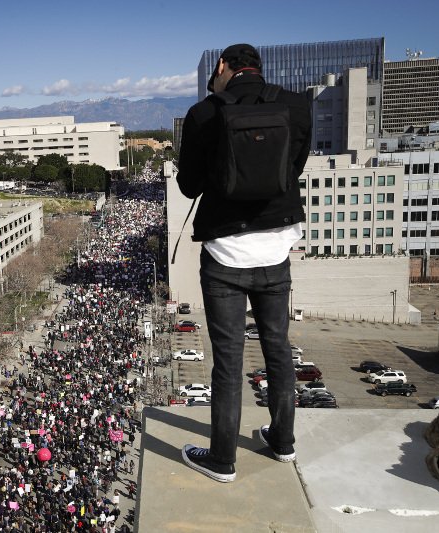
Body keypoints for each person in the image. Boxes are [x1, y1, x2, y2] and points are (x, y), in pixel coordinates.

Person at [177, 43, 312, 483]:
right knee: (278, 347)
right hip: (276, 249)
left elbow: (188, 185)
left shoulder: (203, 114)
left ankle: (222, 460)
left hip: (225, 253)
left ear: (223, 68)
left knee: (228, 361)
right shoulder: (294, 106)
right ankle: (283, 441)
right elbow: (294, 167)